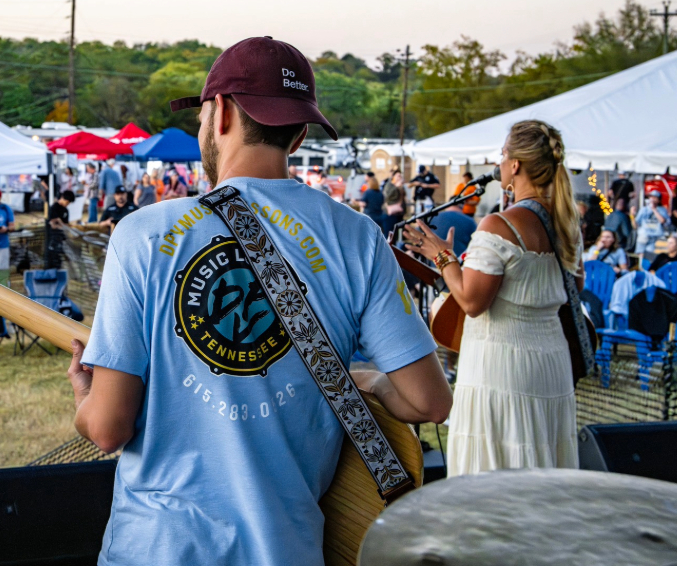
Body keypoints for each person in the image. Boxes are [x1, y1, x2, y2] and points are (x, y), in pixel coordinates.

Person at [68, 37, 451, 566]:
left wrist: (84, 397)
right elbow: (429, 403)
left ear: (221, 112)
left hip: (155, 549)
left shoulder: (143, 234)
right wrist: (367, 379)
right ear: (298, 133)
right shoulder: (357, 237)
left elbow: (108, 428)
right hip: (287, 550)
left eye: (202, 116)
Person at [404, 119, 582, 478]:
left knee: (495, 473)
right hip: (551, 363)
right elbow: (568, 289)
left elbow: (472, 302)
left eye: (502, 155)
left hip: (503, 365)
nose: (498, 163)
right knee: (541, 465)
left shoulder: (500, 225)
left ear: (514, 165)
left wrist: (442, 256)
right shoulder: (566, 223)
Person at [633, 191, 670, 255]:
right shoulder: (643, 209)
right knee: (641, 254)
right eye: (651, 197)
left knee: (652, 255)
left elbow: (663, 221)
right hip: (644, 235)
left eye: (655, 197)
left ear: (659, 200)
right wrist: (632, 215)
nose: (652, 199)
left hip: (656, 237)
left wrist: (654, 209)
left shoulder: (662, 210)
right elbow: (636, 224)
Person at [44, 190, 74, 269]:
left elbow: (66, 224)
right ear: (63, 198)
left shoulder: (65, 211)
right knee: (50, 261)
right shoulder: (53, 208)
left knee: (59, 262)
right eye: (67, 202)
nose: (67, 204)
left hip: (61, 239)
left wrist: (63, 225)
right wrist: (62, 225)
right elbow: (53, 224)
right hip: (52, 239)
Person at [381, 171, 406, 236]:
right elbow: (387, 196)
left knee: (395, 235)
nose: (399, 178)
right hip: (389, 213)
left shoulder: (401, 186)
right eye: (398, 176)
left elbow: (403, 197)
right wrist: (396, 187)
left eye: (400, 176)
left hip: (398, 213)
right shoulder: (389, 185)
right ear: (393, 177)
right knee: (388, 234)